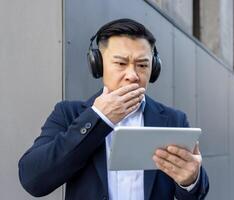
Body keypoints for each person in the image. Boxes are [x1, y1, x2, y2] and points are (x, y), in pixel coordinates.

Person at [18, 18, 209, 200]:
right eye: (120, 63)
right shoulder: (68, 114)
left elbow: (195, 194)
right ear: (98, 64)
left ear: (154, 68)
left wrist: (190, 180)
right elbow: (33, 180)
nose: (133, 75)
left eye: (142, 65)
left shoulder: (173, 120)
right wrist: (98, 117)